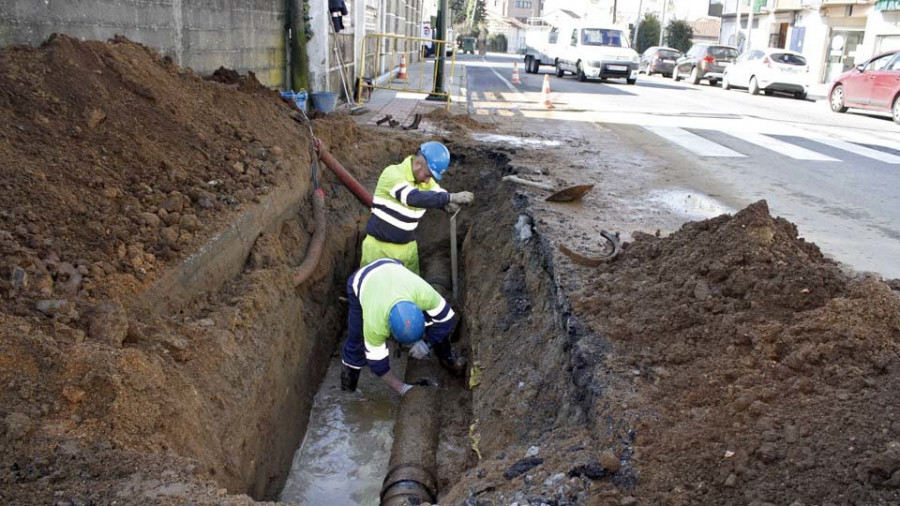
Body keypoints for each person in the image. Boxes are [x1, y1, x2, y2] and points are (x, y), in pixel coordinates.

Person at [340, 258, 466, 395]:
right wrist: (402, 388)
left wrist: (427, 343)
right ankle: (348, 385)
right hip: (362, 280)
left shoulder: (425, 296)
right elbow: (377, 364)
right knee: (356, 339)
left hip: (392, 266)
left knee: (435, 323)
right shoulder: (375, 324)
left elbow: (446, 319)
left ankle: (447, 358)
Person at [361, 141, 474, 274]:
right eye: (427, 175)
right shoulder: (393, 174)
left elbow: (437, 195)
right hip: (380, 250)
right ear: (418, 163)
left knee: (410, 293)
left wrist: (445, 205)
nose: (428, 180)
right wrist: (449, 198)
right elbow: (412, 198)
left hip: (408, 250)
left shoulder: (426, 182)